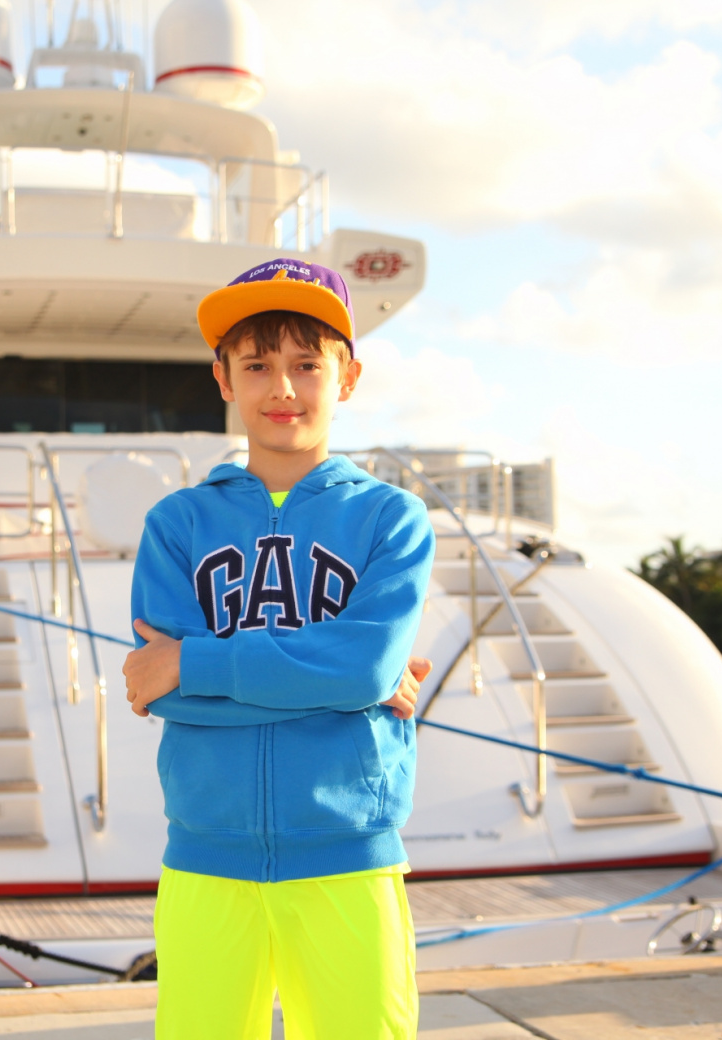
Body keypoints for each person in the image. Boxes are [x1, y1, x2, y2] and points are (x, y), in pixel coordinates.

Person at [123, 258, 437, 1040]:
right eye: (257, 365)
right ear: (224, 379)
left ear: (349, 377)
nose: (283, 389)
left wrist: (198, 662)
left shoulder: (391, 521)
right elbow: (155, 690)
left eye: (307, 365)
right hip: (204, 856)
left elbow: (360, 667)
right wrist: (333, 677)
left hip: (349, 855)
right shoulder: (178, 524)